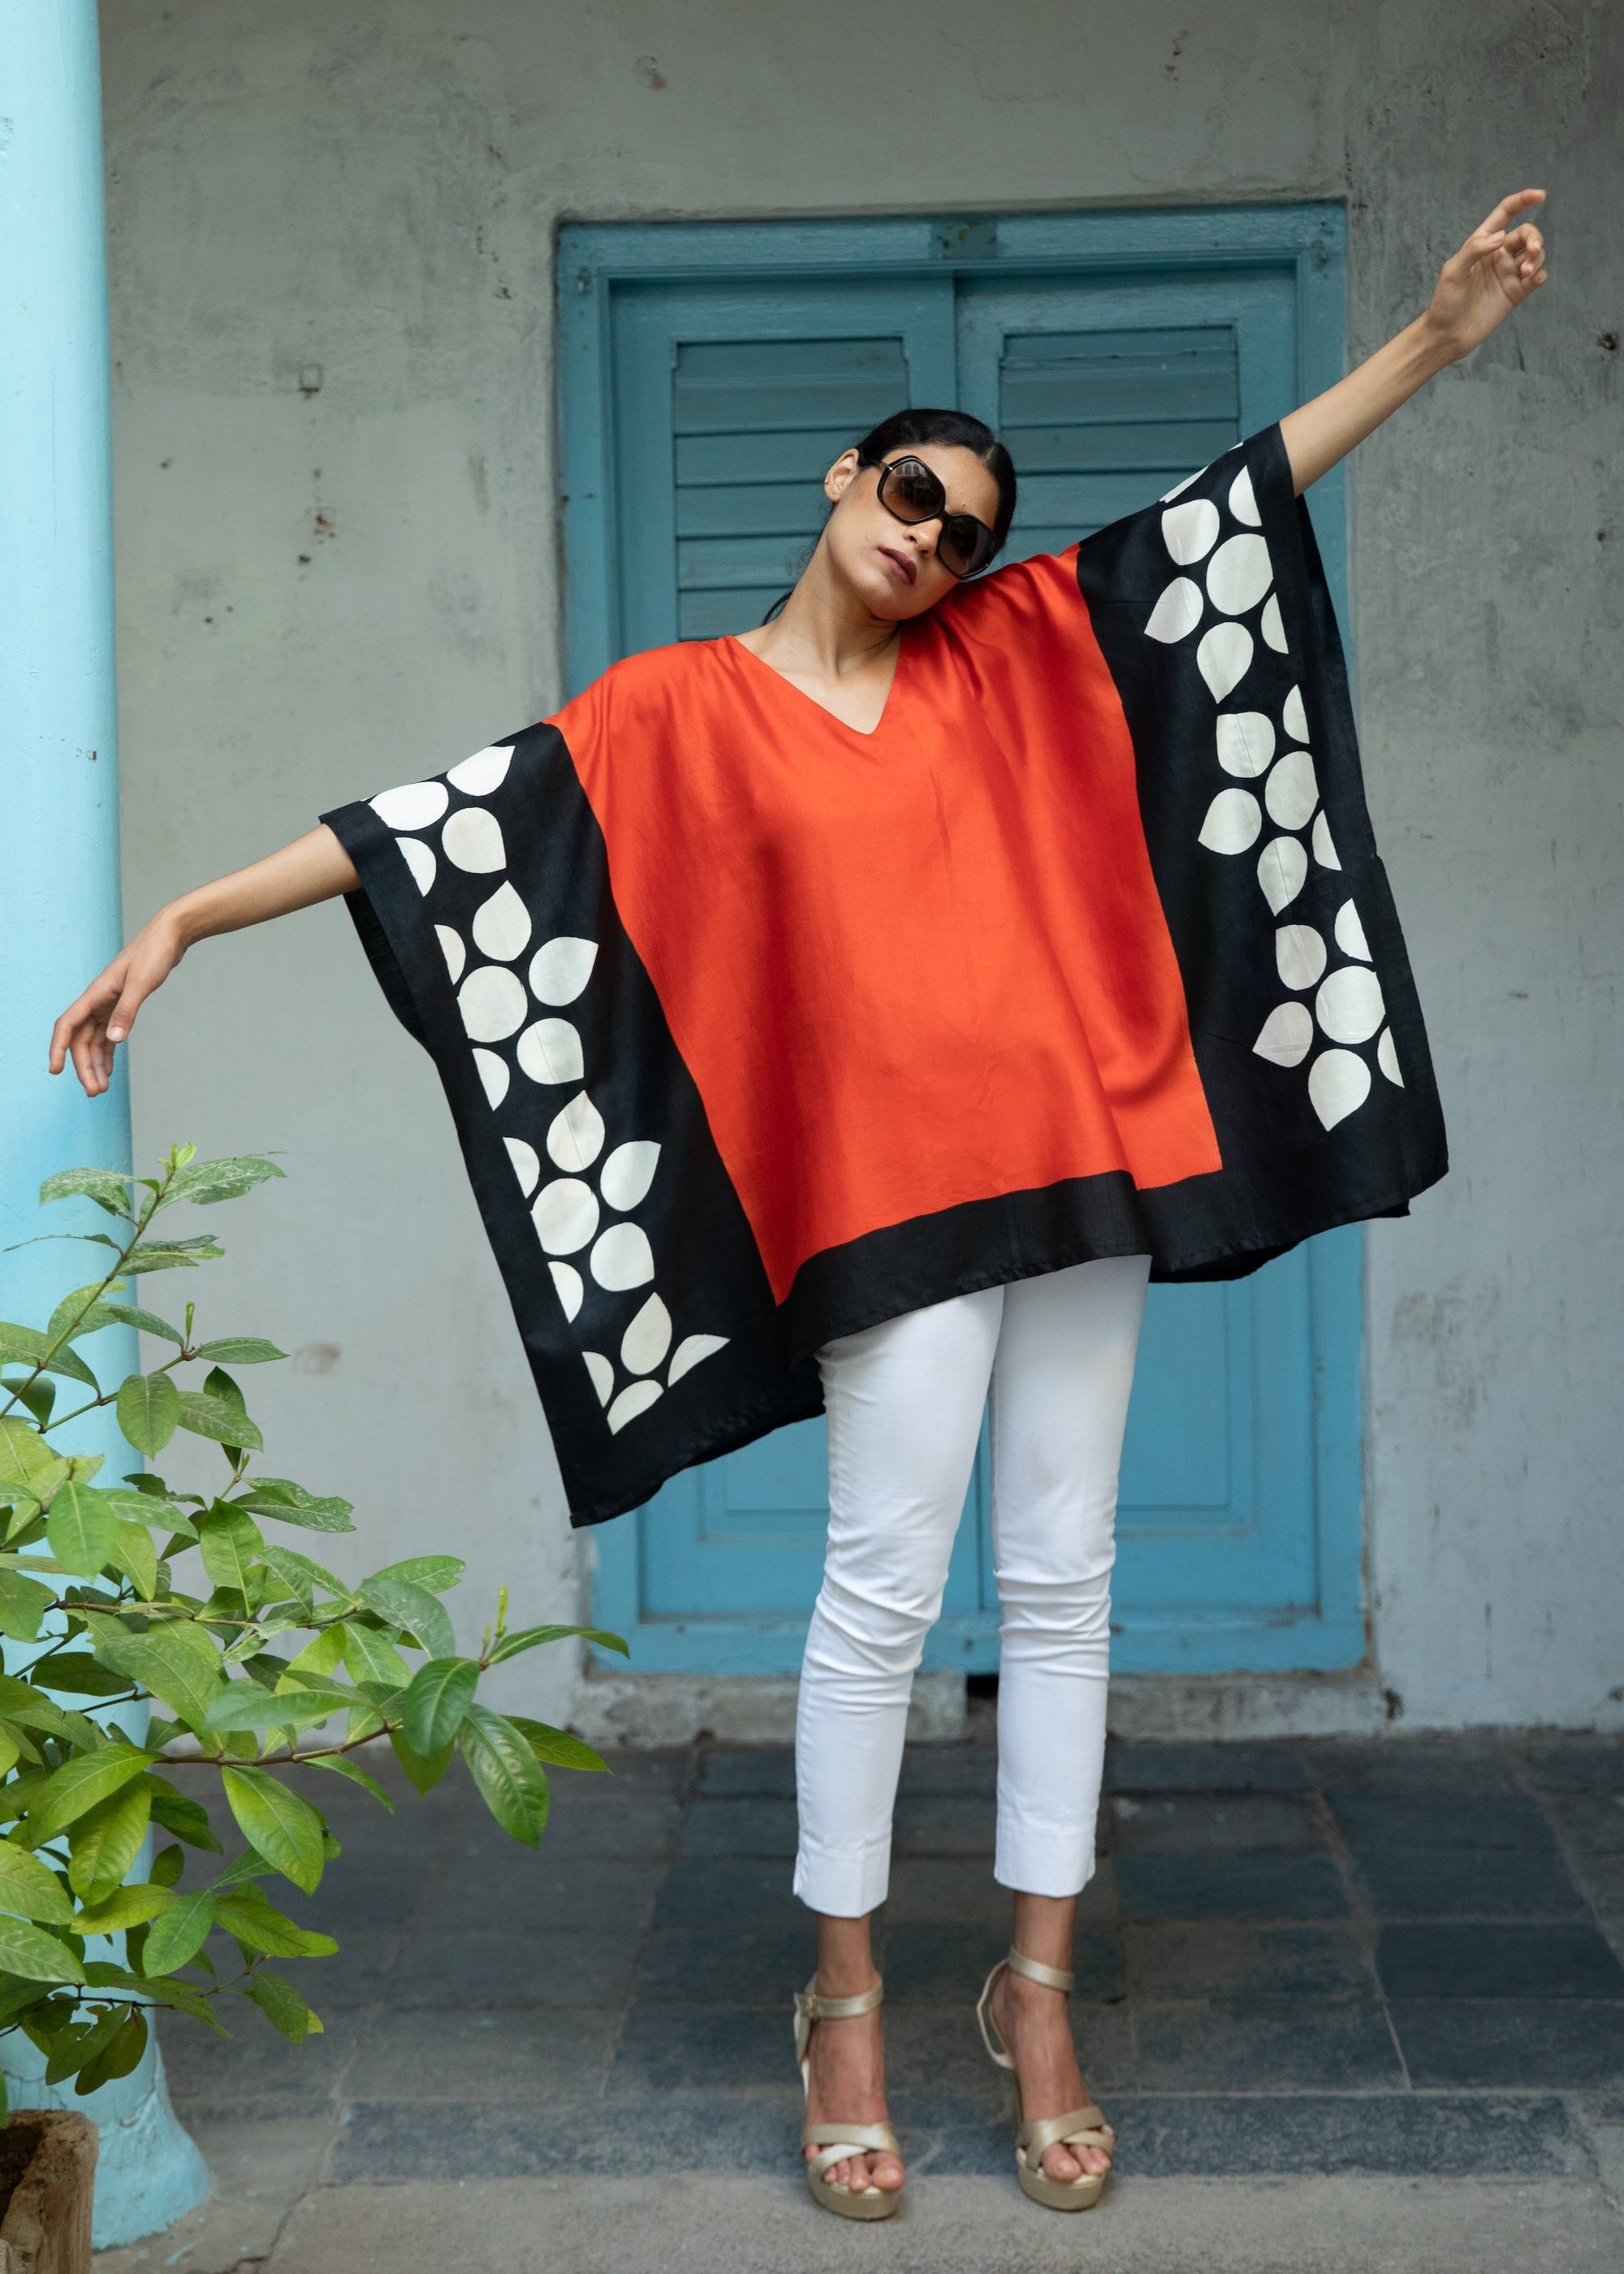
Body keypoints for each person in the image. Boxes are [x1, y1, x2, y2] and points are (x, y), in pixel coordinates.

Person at [53, 191, 1547, 2220]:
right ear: (847, 474)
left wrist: (1433, 340)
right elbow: (431, 826)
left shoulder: (1008, 648)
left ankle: (1035, 1996)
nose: (933, 541)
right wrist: (186, 916)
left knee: (1065, 1576)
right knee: (878, 1592)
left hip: (1079, 1160)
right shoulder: (669, 708)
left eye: (967, 532)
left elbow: (1227, 506)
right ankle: (842, 2003)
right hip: (881, 1201)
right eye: (914, 494)